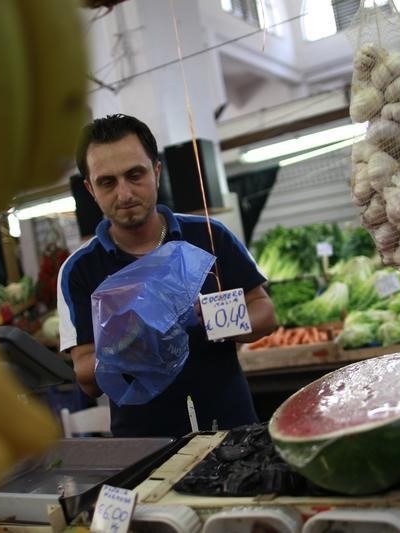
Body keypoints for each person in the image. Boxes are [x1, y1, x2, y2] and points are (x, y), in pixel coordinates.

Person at [57, 114, 277, 438]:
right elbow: (85, 376)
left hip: (231, 428)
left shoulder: (209, 235)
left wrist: (214, 317)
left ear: (156, 172)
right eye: (108, 182)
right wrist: (131, 342)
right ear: (90, 188)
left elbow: (265, 313)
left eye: (135, 175)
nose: (125, 193)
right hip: (145, 445)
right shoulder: (79, 269)